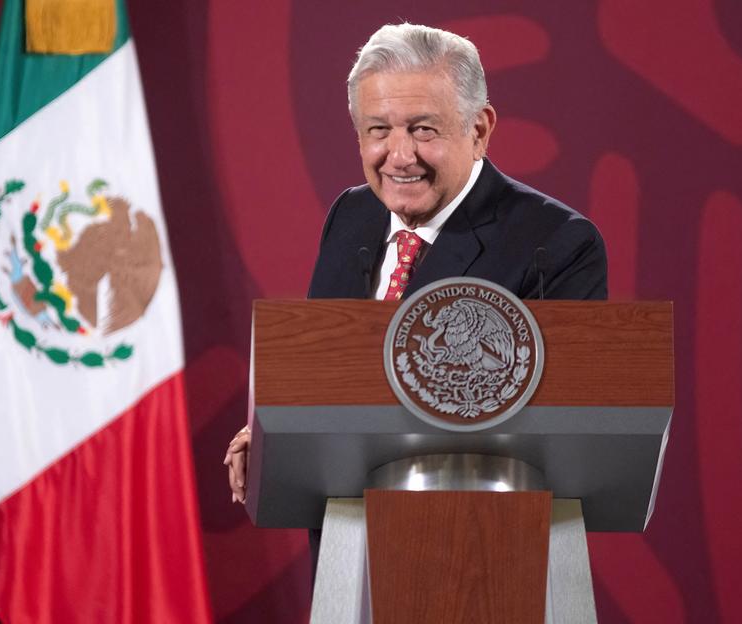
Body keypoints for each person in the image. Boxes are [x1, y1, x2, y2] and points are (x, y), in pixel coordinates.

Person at [224, 21, 606, 513]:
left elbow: (557, 435)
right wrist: (278, 434)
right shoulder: (351, 215)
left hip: (482, 540)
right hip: (345, 530)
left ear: (479, 129)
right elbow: (329, 374)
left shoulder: (558, 244)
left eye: (423, 130)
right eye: (378, 131)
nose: (399, 157)